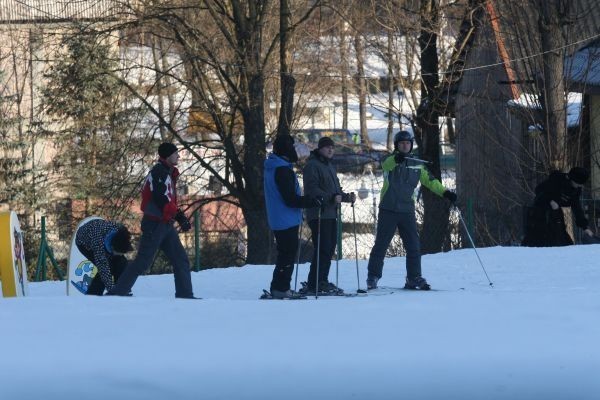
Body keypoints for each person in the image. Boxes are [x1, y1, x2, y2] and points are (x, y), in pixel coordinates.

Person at [366, 130, 456, 291]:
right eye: (401, 143)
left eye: (407, 143)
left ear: (411, 145)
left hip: (407, 210)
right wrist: (397, 158)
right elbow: (386, 164)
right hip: (389, 208)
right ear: (397, 146)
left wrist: (445, 193)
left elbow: (430, 181)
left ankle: (413, 277)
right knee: (381, 244)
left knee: (414, 246)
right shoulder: (391, 159)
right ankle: (373, 276)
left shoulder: (417, 163)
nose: (405, 146)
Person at [108, 142, 196, 298]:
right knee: (142, 262)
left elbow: (168, 200)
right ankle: (118, 292)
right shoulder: (159, 173)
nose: (178, 156)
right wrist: (179, 216)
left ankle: (185, 295)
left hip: (166, 224)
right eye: (176, 153)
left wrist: (177, 216)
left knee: (181, 260)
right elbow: (161, 199)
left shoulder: (168, 173)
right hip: (154, 224)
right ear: (168, 156)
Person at [264, 134, 322, 299]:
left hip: (279, 216)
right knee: (287, 253)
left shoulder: (274, 165)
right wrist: (311, 201)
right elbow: (290, 199)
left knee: (286, 252)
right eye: (293, 147)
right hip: (285, 217)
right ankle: (281, 288)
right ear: (287, 150)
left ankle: (280, 286)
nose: (296, 151)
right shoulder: (282, 170)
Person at [301, 136, 355, 295]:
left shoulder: (329, 166)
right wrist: (330, 198)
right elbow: (312, 189)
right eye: (327, 147)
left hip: (331, 213)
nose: (330, 150)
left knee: (329, 248)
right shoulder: (312, 166)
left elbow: (335, 191)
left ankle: (321, 280)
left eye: (332, 147)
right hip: (318, 213)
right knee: (323, 248)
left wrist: (345, 197)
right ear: (319, 149)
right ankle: (315, 282)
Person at [522, 167, 594, 247]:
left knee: (561, 239)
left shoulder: (576, 189)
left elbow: (576, 207)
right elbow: (539, 190)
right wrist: (550, 201)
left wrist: (585, 227)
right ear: (572, 179)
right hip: (540, 213)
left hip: (556, 214)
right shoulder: (557, 180)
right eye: (578, 183)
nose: (579, 186)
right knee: (538, 239)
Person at [75, 219, 133, 295]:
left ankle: (122, 289)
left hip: (102, 234)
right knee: (107, 267)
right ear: (113, 248)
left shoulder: (119, 231)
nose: (121, 255)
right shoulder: (98, 244)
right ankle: (93, 294)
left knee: (122, 262)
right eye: (119, 253)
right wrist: (112, 291)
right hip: (84, 243)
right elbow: (104, 270)